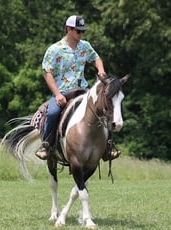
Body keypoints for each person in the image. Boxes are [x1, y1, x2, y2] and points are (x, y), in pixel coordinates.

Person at [35, 15, 121, 161]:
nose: (81, 34)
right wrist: (57, 94)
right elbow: (47, 73)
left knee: (104, 107)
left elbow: (96, 59)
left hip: (82, 90)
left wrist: (100, 70)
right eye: (78, 31)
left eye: (82, 31)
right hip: (62, 92)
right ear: (68, 29)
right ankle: (46, 145)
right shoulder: (54, 49)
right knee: (52, 113)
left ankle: (108, 147)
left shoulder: (85, 46)